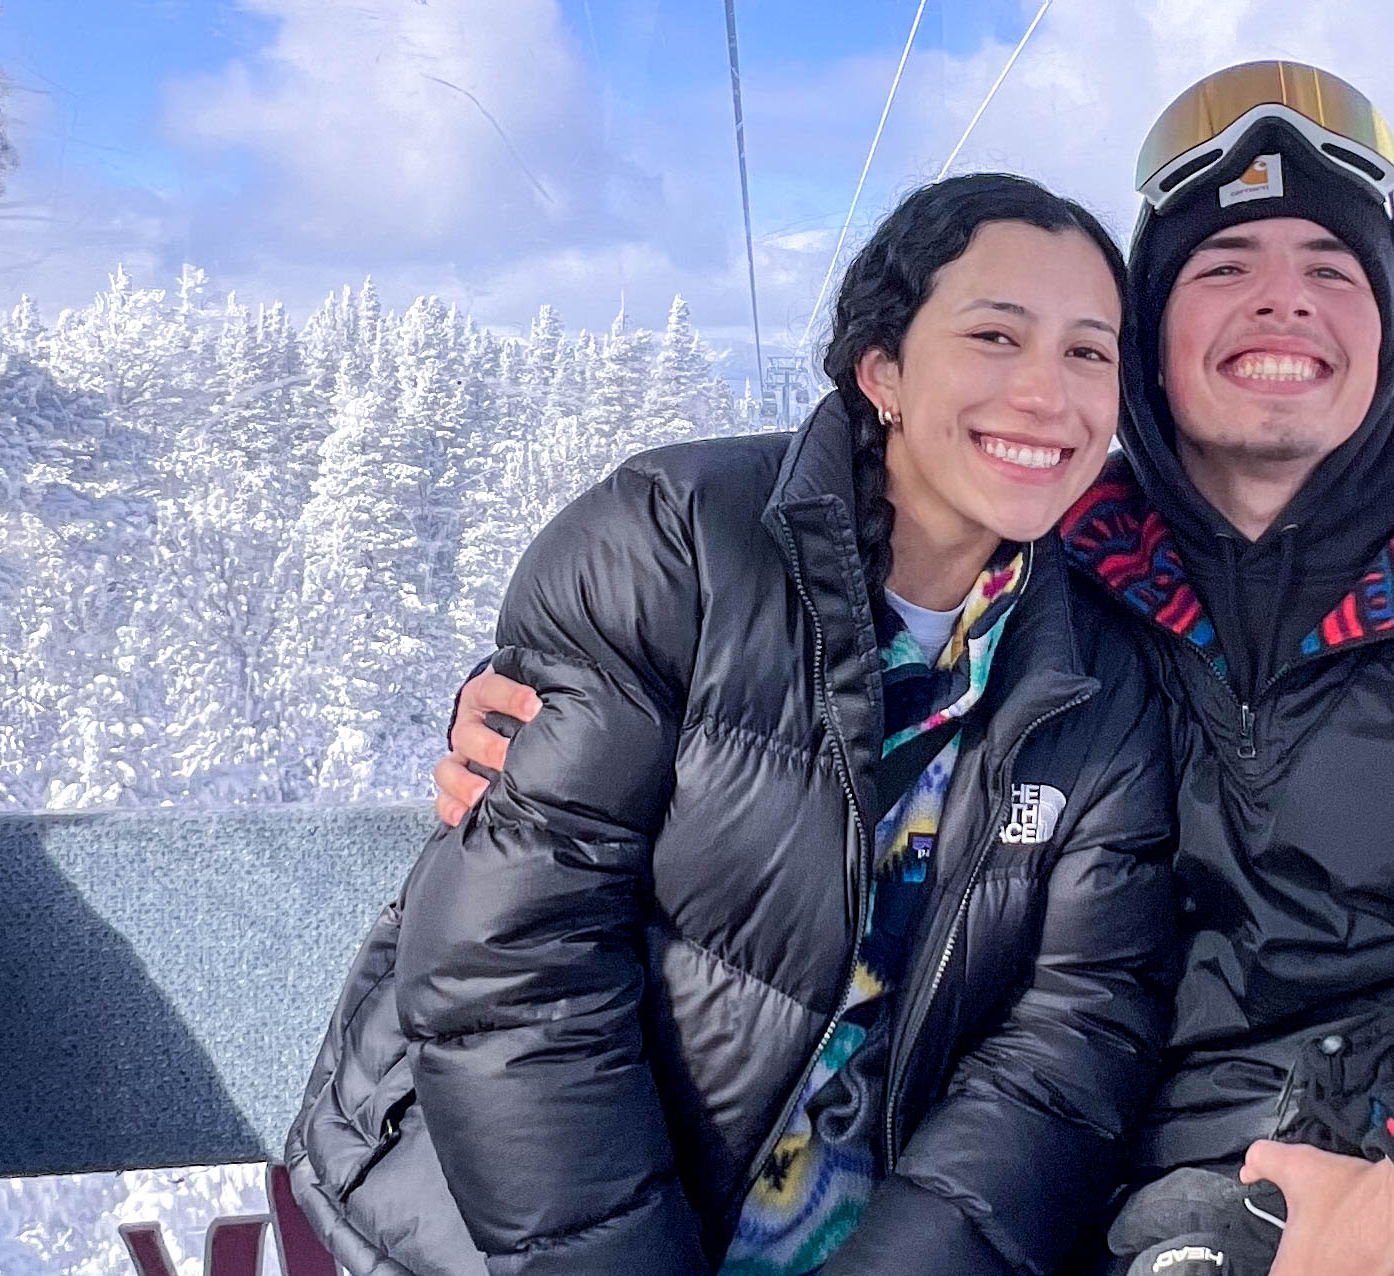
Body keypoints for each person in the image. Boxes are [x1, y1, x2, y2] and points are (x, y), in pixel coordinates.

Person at [437, 64, 1394, 1276]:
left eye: (1333, 267)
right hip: (1127, 1207)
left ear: (1387, 326)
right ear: (1153, 346)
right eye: (1224, 269)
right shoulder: (1061, 587)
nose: (1284, 304)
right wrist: (549, 735)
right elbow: (802, 732)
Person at [285, 173, 1182, 1276]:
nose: (1049, 393)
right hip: (498, 1223)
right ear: (882, 368)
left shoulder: (1098, 678)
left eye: (1091, 352)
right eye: (997, 335)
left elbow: (1067, 1039)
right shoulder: (673, 548)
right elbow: (513, 964)